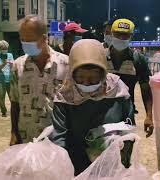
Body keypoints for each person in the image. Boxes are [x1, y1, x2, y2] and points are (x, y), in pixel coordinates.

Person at [51, 39, 135, 175]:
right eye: (80, 77)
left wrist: (124, 161)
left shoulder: (118, 91)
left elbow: (128, 129)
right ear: (72, 75)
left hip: (112, 165)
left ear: (103, 74)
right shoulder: (65, 97)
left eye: (93, 78)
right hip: (76, 165)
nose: (87, 84)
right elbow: (60, 138)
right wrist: (64, 169)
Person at [9, 15, 69, 145]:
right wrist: (14, 132)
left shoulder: (65, 64)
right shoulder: (17, 66)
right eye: (22, 40)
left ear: (44, 38)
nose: (25, 44)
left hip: (56, 140)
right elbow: (15, 103)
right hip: (26, 139)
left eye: (29, 40)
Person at [106, 19, 154, 137]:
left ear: (131, 37)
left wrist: (149, 116)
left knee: (126, 150)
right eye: (117, 34)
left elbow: (145, 88)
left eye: (125, 35)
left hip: (127, 115)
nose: (121, 38)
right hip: (102, 115)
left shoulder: (138, 59)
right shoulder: (100, 56)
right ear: (111, 34)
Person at [0, 40, 14, 117]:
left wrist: (12, 64)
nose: (5, 50)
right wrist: (4, 63)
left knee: (12, 97)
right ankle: (3, 112)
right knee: (1, 97)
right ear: (0, 49)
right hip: (0, 80)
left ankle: (14, 111)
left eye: (6, 48)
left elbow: (13, 66)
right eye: (3, 48)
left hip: (10, 79)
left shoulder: (10, 55)